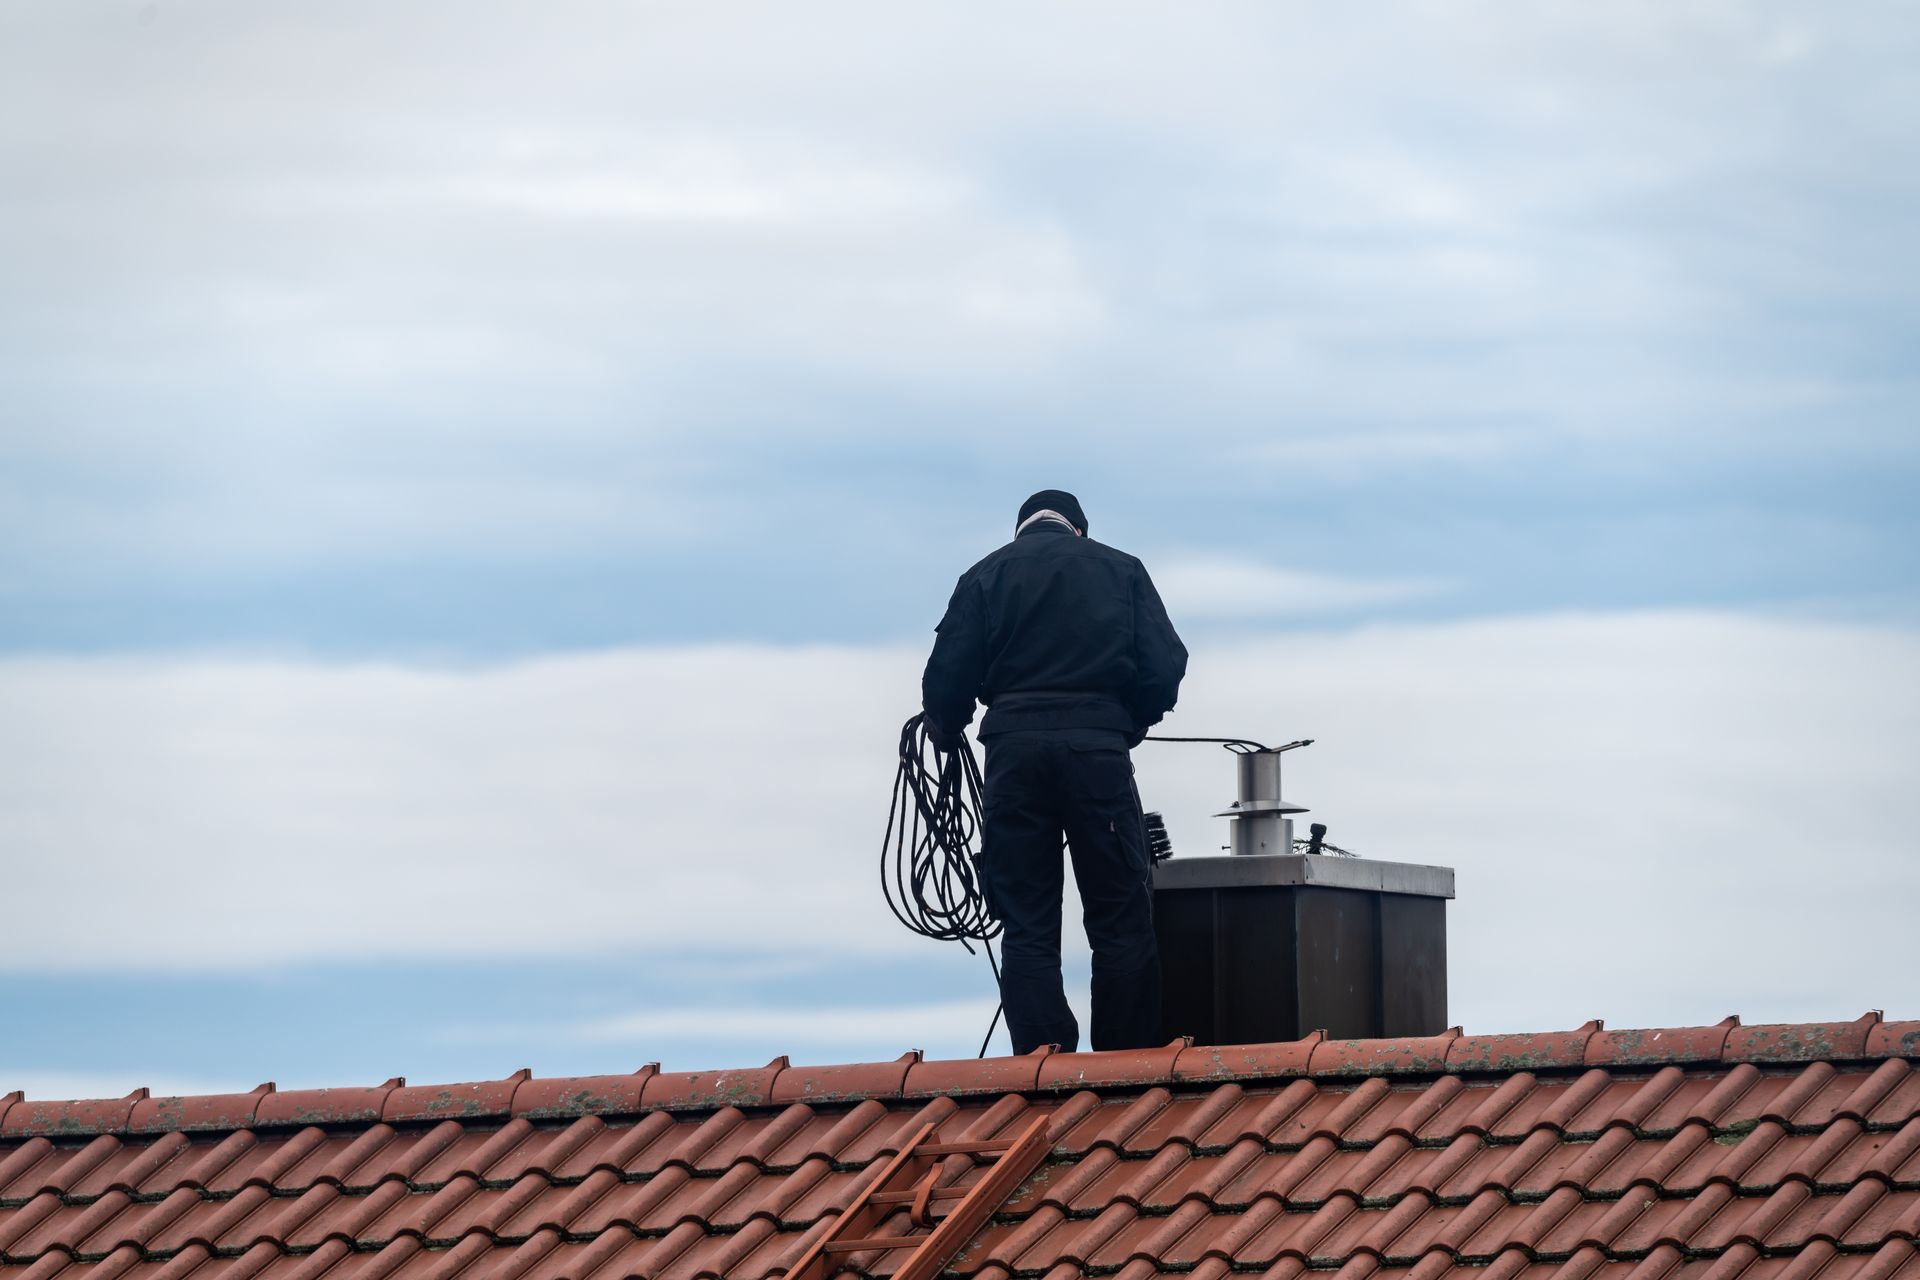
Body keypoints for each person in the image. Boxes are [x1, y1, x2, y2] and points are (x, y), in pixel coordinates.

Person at [921, 489, 1188, 1054]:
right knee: (1120, 915)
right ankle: (1125, 1064)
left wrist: (947, 731)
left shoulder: (984, 576)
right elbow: (1166, 665)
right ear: (1079, 532)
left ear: (1020, 531)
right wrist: (1129, 722)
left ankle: (1042, 1069)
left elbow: (944, 685)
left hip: (1013, 762)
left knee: (1026, 921)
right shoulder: (1122, 570)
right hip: (1098, 757)